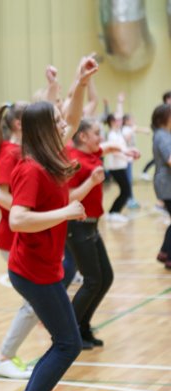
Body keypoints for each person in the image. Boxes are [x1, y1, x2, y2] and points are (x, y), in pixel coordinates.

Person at [8, 56, 98, 391]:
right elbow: (17, 219)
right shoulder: (31, 168)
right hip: (31, 270)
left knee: (66, 342)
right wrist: (65, 212)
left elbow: (73, 118)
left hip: (45, 267)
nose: (65, 125)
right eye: (57, 121)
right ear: (44, 129)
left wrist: (81, 82)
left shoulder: (51, 156)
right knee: (67, 343)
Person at [66, 118, 126, 350]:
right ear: (82, 136)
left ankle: (82, 326)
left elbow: (105, 148)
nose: (101, 137)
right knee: (92, 281)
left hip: (92, 225)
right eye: (97, 133)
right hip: (77, 226)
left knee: (105, 277)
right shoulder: (74, 161)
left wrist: (124, 151)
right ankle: (68, 334)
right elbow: (68, 198)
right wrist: (91, 182)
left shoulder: (90, 153)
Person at [0, 101, 34, 379]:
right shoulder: (9, 153)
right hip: (12, 237)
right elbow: (0, 195)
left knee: (41, 301)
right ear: (18, 124)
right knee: (35, 303)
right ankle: (3, 356)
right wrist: (28, 211)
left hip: (22, 234)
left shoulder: (22, 150)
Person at [151, 103, 171, 270]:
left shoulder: (163, 134)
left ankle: (165, 252)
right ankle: (168, 256)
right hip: (167, 184)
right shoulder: (163, 136)